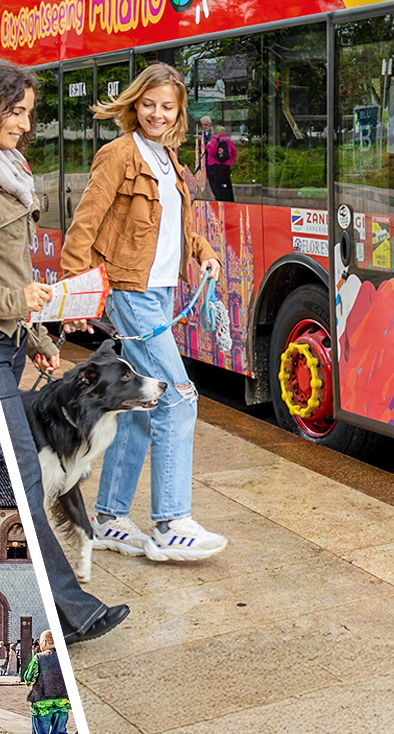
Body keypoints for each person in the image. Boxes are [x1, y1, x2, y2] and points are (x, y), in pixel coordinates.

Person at [0, 57, 130, 645]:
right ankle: (74, 613)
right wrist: (15, 300)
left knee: (21, 482)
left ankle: (64, 614)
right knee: (23, 480)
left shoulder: (5, 170)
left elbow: (10, 268)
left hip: (11, 341)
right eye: (15, 112)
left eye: (28, 113)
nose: (24, 124)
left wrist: (39, 336)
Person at [62, 63, 227, 563]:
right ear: (135, 104)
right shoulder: (118, 154)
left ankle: (109, 518)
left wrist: (203, 252)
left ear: (179, 112)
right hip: (131, 290)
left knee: (139, 408)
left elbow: (177, 227)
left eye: (167, 106)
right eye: (149, 104)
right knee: (177, 396)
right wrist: (75, 293)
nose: (157, 113)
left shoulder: (168, 158)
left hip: (160, 292)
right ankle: (171, 523)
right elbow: (84, 224)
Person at [23, 631, 70, 734]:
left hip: (42, 703)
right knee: (60, 732)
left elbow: (28, 678)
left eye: (40, 642)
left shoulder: (39, 658)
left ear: (44, 642)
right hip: (63, 703)